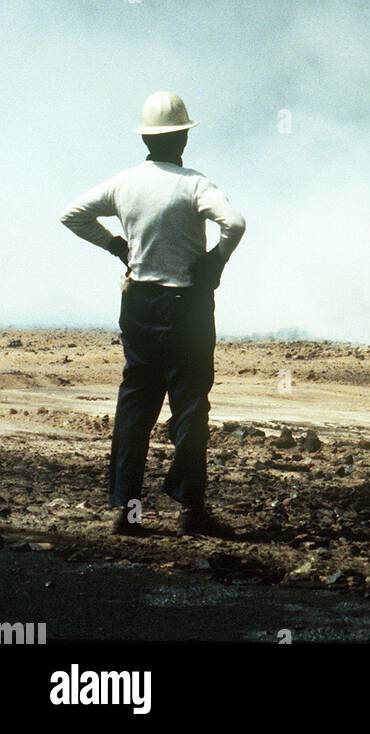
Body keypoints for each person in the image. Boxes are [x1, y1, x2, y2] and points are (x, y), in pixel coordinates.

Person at [60, 91, 246, 537]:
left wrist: (117, 246)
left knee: (135, 407)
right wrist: (215, 261)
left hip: (139, 304)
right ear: (182, 137)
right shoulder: (195, 183)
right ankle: (190, 510)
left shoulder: (124, 183)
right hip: (188, 307)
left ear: (146, 137)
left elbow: (72, 215)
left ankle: (127, 510)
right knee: (190, 406)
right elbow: (234, 224)